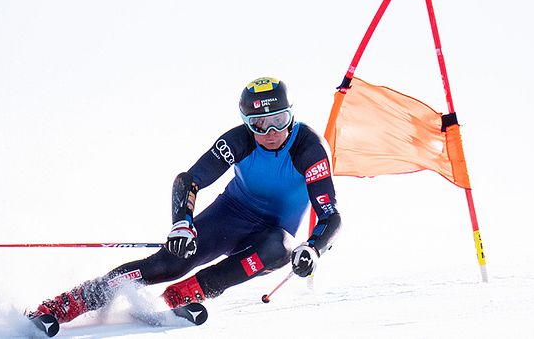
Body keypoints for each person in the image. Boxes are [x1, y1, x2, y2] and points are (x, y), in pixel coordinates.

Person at [28, 76, 342, 326]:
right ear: (247, 123)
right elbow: (189, 181)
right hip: (230, 217)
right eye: (260, 124)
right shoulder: (238, 141)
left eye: (280, 119)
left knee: (281, 249)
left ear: (292, 114)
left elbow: (331, 216)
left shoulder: (309, 149)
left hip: (271, 234)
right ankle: (68, 303)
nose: (272, 131)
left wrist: (313, 248)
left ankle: (185, 295)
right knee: (168, 264)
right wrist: (182, 224)